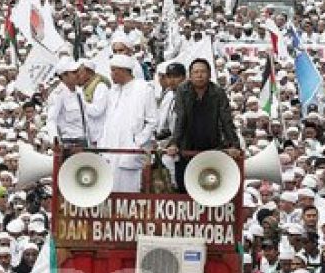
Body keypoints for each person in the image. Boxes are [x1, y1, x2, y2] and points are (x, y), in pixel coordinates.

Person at [165, 58, 241, 192]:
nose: (199, 75)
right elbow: (180, 118)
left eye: (203, 72)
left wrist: (234, 145)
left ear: (210, 74)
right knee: (184, 187)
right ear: (190, 75)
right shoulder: (182, 91)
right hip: (186, 145)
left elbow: (226, 120)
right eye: (196, 72)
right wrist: (174, 143)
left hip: (211, 144)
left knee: (210, 187)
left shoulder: (218, 92)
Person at [99, 54, 157, 193]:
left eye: (113, 70)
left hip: (130, 151)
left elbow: (152, 121)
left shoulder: (144, 89)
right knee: (107, 191)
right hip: (110, 149)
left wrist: (137, 142)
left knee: (128, 193)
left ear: (123, 71)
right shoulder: (113, 91)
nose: (111, 74)